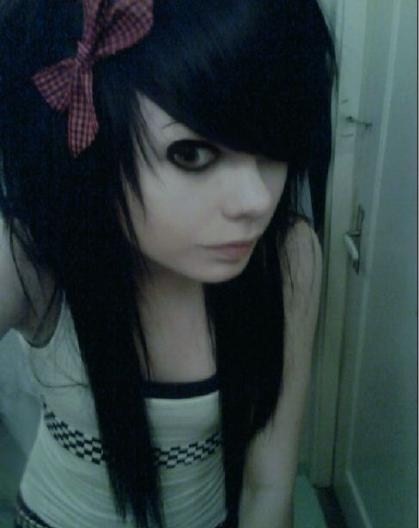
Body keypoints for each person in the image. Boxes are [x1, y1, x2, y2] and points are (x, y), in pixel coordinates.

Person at [0, 0, 335, 527]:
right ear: (93, 138)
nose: (256, 201)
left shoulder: (289, 255)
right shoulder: (34, 257)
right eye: (191, 154)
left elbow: (268, 483)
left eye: (274, 145)